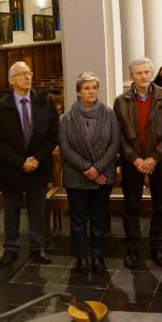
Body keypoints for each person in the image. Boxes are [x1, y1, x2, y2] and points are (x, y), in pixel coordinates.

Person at [0, 62, 59, 267]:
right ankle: (10, 249)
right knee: (12, 210)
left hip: (39, 165)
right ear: (11, 80)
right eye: (21, 74)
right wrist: (21, 162)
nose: (27, 77)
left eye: (29, 73)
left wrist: (37, 158)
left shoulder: (44, 101)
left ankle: (38, 248)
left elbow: (53, 135)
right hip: (12, 168)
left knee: (38, 209)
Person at [113, 58, 162, 269]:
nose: (144, 76)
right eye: (139, 73)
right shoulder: (121, 101)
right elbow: (118, 135)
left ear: (152, 74)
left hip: (159, 160)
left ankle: (157, 246)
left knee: (160, 206)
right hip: (133, 161)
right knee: (132, 206)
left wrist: (154, 158)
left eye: (147, 72)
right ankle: (133, 248)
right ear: (131, 76)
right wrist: (135, 159)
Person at [60, 72, 121, 273]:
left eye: (94, 87)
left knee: (98, 218)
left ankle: (97, 256)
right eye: (86, 88)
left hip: (102, 175)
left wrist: (97, 168)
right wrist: (87, 168)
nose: (91, 91)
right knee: (78, 220)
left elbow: (114, 144)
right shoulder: (67, 118)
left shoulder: (109, 114)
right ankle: (81, 257)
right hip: (77, 176)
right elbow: (65, 148)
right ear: (78, 92)